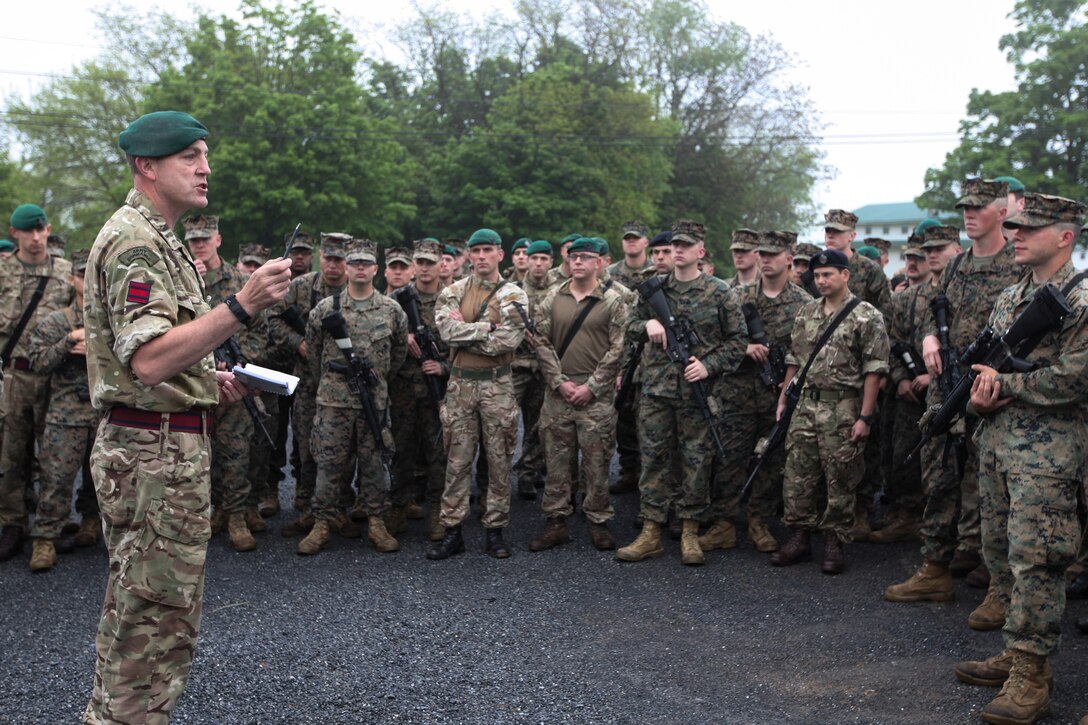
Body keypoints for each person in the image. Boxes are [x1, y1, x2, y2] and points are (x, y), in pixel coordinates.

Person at [82, 110, 291, 722]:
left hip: (164, 447)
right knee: (148, 626)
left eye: (205, 154)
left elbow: (165, 355)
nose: (206, 168)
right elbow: (147, 361)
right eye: (189, 156)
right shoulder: (135, 241)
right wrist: (242, 305)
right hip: (152, 457)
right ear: (147, 166)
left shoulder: (160, 237)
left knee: (156, 623)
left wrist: (206, 381)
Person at [953, 192, 1088, 725]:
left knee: (1039, 558)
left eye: (1029, 229)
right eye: (1015, 228)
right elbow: (987, 363)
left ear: (1066, 236)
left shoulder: (1081, 301)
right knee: (1000, 550)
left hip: (1049, 451)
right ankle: (1014, 652)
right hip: (1000, 442)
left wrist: (1004, 382)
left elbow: (1077, 376)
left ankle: (1032, 675)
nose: (1015, 235)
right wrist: (979, 394)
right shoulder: (1011, 296)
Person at [917, 179, 1022, 625]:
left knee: (993, 488)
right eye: (965, 207)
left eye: (978, 207)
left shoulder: (1016, 262)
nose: (968, 214)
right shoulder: (957, 264)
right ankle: (935, 567)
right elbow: (934, 305)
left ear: (1002, 212)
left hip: (992, 390)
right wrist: (926, 336)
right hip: (950, 383)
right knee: (938, 474)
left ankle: (1000, 583)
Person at [616, 219, 746, 567]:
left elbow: (738, 343)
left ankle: (690, 530)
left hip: (697, 393)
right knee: (654, 459)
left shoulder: (720, 293)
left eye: (685, 246)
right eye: (674, 245)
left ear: (700, 252)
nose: (677, 250)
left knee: (696, 461)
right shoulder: (653, 288)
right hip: (657, 391)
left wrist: (708, 365)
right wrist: (648, 325)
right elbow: (627, 327)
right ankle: (651, 533)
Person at [769, 249, 889, 575]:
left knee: (840, 475)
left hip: (843, 405)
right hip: (806, 404)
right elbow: (795, 359)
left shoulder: (866, 316)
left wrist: (865, 417)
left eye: (828, 275)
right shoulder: (806, 311)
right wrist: (784, 398)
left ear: (845, 275)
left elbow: (874, 371)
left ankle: (835, 540)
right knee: (798, 472)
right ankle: (799, 536)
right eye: (818, 276)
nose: (821, 281)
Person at [298, 239, 408, 556]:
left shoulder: (392, 310)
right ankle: (322, 523)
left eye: (366, 264)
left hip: (373, 401)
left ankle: (376, 522)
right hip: (333, 402)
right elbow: (315, 352)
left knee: (375, 464)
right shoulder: (326, 310)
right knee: (329, 464)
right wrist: (334, 381)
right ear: (346, 268)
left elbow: (398, 355)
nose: (360, 268)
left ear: (375, 269)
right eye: (354, 263)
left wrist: (377, 378)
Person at [706, 230, 809, 554]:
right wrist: (745, 347)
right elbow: (716, 339)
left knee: (771, 458)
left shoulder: (803, 303)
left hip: (776, 393)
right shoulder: (736, 294)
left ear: (788, 259)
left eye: (771, 255)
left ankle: (758, 520)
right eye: (761, 254)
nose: (764, 260)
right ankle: (724, 523)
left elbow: (806, 350)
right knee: (729, 456)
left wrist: (790, 384)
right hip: (736, 390)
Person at [428, 229, 527, 560]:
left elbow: (510, 340)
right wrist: (487, 328)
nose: (482, 256)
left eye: (488, 250)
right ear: (468, 256)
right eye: (476, 250)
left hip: (497, 386)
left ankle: (495, 531)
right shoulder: (452, 291)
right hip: (460, 385)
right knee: (456, 461)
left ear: (500, 254)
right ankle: (453, 530)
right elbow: (446, 332)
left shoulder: (513, 294)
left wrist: (466, 331)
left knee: (499, 461)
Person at [529, 237, 627, 551]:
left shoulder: (613, 301)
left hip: (594, 394)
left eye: (586, 257)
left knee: (597, 461)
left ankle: (598, 521)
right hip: (558, 392)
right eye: (574, 258)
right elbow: (540, 344)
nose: (578, 263)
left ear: (600, 262)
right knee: (556, 461)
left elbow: (619, 348)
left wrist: (592, 387)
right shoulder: (550, 299)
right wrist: (558, 382)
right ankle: (556, 521)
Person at [185, 214, 269, 552]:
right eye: (193, 240)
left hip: (233, 378)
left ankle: (235, 515)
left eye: (205, 238)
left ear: (218, 240)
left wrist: (239, 362)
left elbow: (261, 330)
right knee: (198, 453)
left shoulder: (240, 281)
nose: (199, 244)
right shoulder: (183, 279)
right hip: (195, 379)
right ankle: (210, 511)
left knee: (235, 450)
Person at [0, 203, 73, 563]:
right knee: (11, 453)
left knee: (54, 457)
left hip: (54, 376)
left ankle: (50, 524)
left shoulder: (65, 271)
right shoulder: (2, 271)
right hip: (13, 374)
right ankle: (13, 523)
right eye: (27, 231)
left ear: (47, 229)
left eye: (40, 229)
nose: (34, 237)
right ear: (14, 233)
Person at [269, 234, 349, 536]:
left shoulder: (354, 290)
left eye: (339, 259)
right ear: (320, 257)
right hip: (308, 383)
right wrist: (298, 343)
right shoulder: (301, 287)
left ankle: (337, 507)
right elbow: (273, 318)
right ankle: (305, 508)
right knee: (305, 447)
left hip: (340, 384)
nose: (333, 265)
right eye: (328, 258)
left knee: (341, 448)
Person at [25, 248, 98, 571]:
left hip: (101, 409)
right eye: (82, 274)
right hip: (66, 413)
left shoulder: (110, 318)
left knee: (100, 478)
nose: (88, 280)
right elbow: (37, 363)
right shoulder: (57, 321)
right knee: (56, 478)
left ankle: (91, 522)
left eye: (92, 274)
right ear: (72, 279)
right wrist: (68, 342)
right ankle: (45, 539)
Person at [822, 208, 890, 540]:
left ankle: (863, 510)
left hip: (864, 368)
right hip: (829, 370)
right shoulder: (823, 269)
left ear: (852, 236)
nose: (830, 235)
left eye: (837, 231)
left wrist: (882, 367)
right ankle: (829, 511)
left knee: (865, 441)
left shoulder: (869, 272)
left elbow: (886, 318)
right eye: (828, 230)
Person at [869, 240, 934, 546]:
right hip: (904, 391)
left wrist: (929, 376)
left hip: (938, 389)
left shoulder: (943, 295)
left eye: (919, 257)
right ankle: (904, 513)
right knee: (898, 453)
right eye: (908, 257)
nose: (912, 262)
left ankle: (923, 517)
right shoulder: (900, 299)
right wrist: (900, 378)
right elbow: (890, 343)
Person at [389, 239, 450, 542]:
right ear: (413, 266)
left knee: (438, 452)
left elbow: (465, 349)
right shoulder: (398, 301)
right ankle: (399, 507)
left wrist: (443, 368)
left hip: (436, 391)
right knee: (401, 450)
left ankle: (439, 509)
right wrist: (406, 337)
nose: (425, 268)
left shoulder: (451, 300)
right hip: (403, 389)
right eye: (420, 263)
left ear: (442, 264)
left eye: (431, 262)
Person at [607, 221, 654, 289]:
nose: (631, 240)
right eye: (627, 238)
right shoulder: (609, 273)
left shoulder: (655, 271)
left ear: (646, 242)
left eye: (636, 238)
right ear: (622, 243)